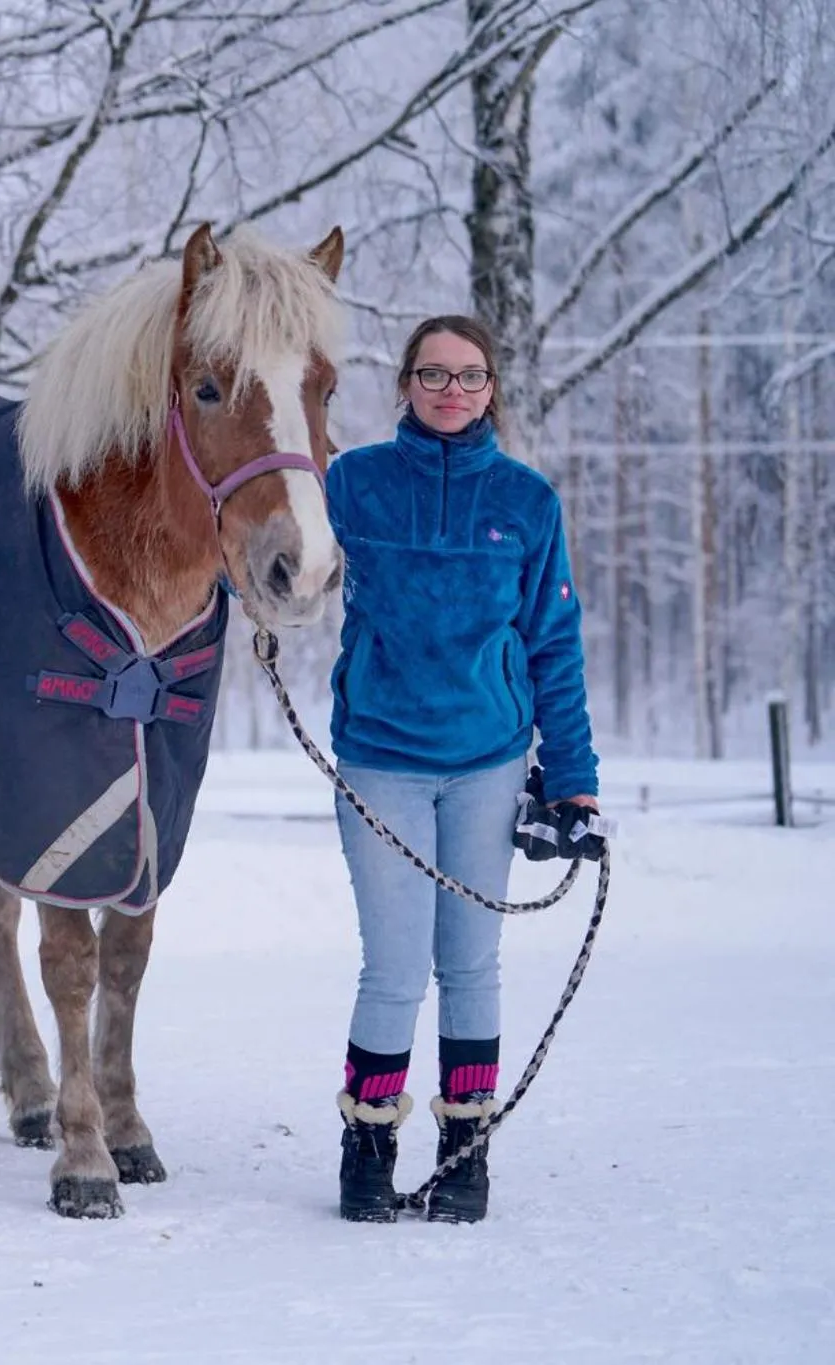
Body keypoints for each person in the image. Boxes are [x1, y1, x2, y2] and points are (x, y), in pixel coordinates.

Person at [326, 314, 603, 1224]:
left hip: (488, 763)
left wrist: (573, 778)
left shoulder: (526, 502)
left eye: (470, 375)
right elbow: (272, 555)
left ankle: (465, 1150)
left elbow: (554, 644)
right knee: (395, 966)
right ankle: (368, 1145)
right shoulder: (352, 484)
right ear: (406, 383)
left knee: (472, 964)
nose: (452, 390)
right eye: (434, 374)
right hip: (381, 761)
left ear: (492, 389)